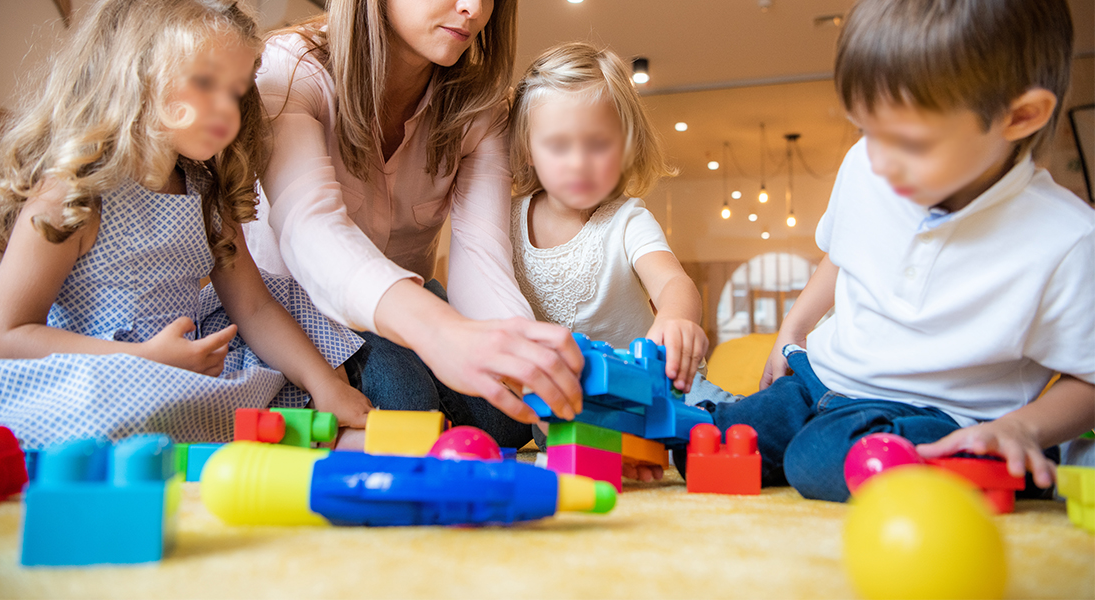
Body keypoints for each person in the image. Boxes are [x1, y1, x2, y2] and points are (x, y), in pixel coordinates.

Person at [684, 0, 1094, 502]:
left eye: (910, 143)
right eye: (866, 130)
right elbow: (841, 254)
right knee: (709, 442)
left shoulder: (1067, 239)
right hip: (822, 380)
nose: (878, 161)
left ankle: (998, 472)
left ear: (1020, 117)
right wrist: (793, 329)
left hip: (937, 416)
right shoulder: (866, 165)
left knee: (819, 456)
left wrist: (1023, 430)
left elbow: (1089, 379)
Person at [0, 0, 370, 449]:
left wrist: (324, 384)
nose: (226, 109)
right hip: (95, 372)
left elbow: (254, 308)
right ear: (137, 75)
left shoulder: (205, 193)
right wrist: (141, 359)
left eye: (236, 91)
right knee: (112, 413)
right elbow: (2, 336)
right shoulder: (72, 192)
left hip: (185, 365)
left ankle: (319, 423)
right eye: (205, 83)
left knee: (291, 301)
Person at [246, 0, 583, 448]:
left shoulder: (480, 108)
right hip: (296, 306)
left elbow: (482, 254)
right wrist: (440, 331)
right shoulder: (289, 69)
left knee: (507, 417)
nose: (474, 8)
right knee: (403, 401)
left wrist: (531, 370)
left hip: (411, 307)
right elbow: (309, 228)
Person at [508, 43, 729, 479]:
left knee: (727, 422)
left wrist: (679, 319)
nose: (579, 162)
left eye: (598, 144)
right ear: (528, 149)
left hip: (654, 387)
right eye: (558, 145)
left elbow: (672, 283)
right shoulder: (506, 217)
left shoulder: (627, 219)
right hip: (567, 398)